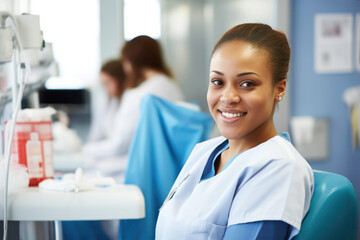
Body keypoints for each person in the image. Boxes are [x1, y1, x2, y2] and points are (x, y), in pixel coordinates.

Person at [155, 23, 314, 239]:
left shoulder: (278, 167)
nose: (228, 97)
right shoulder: (204, 152)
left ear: (279, 88)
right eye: (218, 82)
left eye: (247, 83)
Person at [83, 36, 184, 182]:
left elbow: (119, 144)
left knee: (91, 173)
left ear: (130, 64)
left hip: (142, 173)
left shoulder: (137, 95)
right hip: (172, 171)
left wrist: (86, 149)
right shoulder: (173, 89)